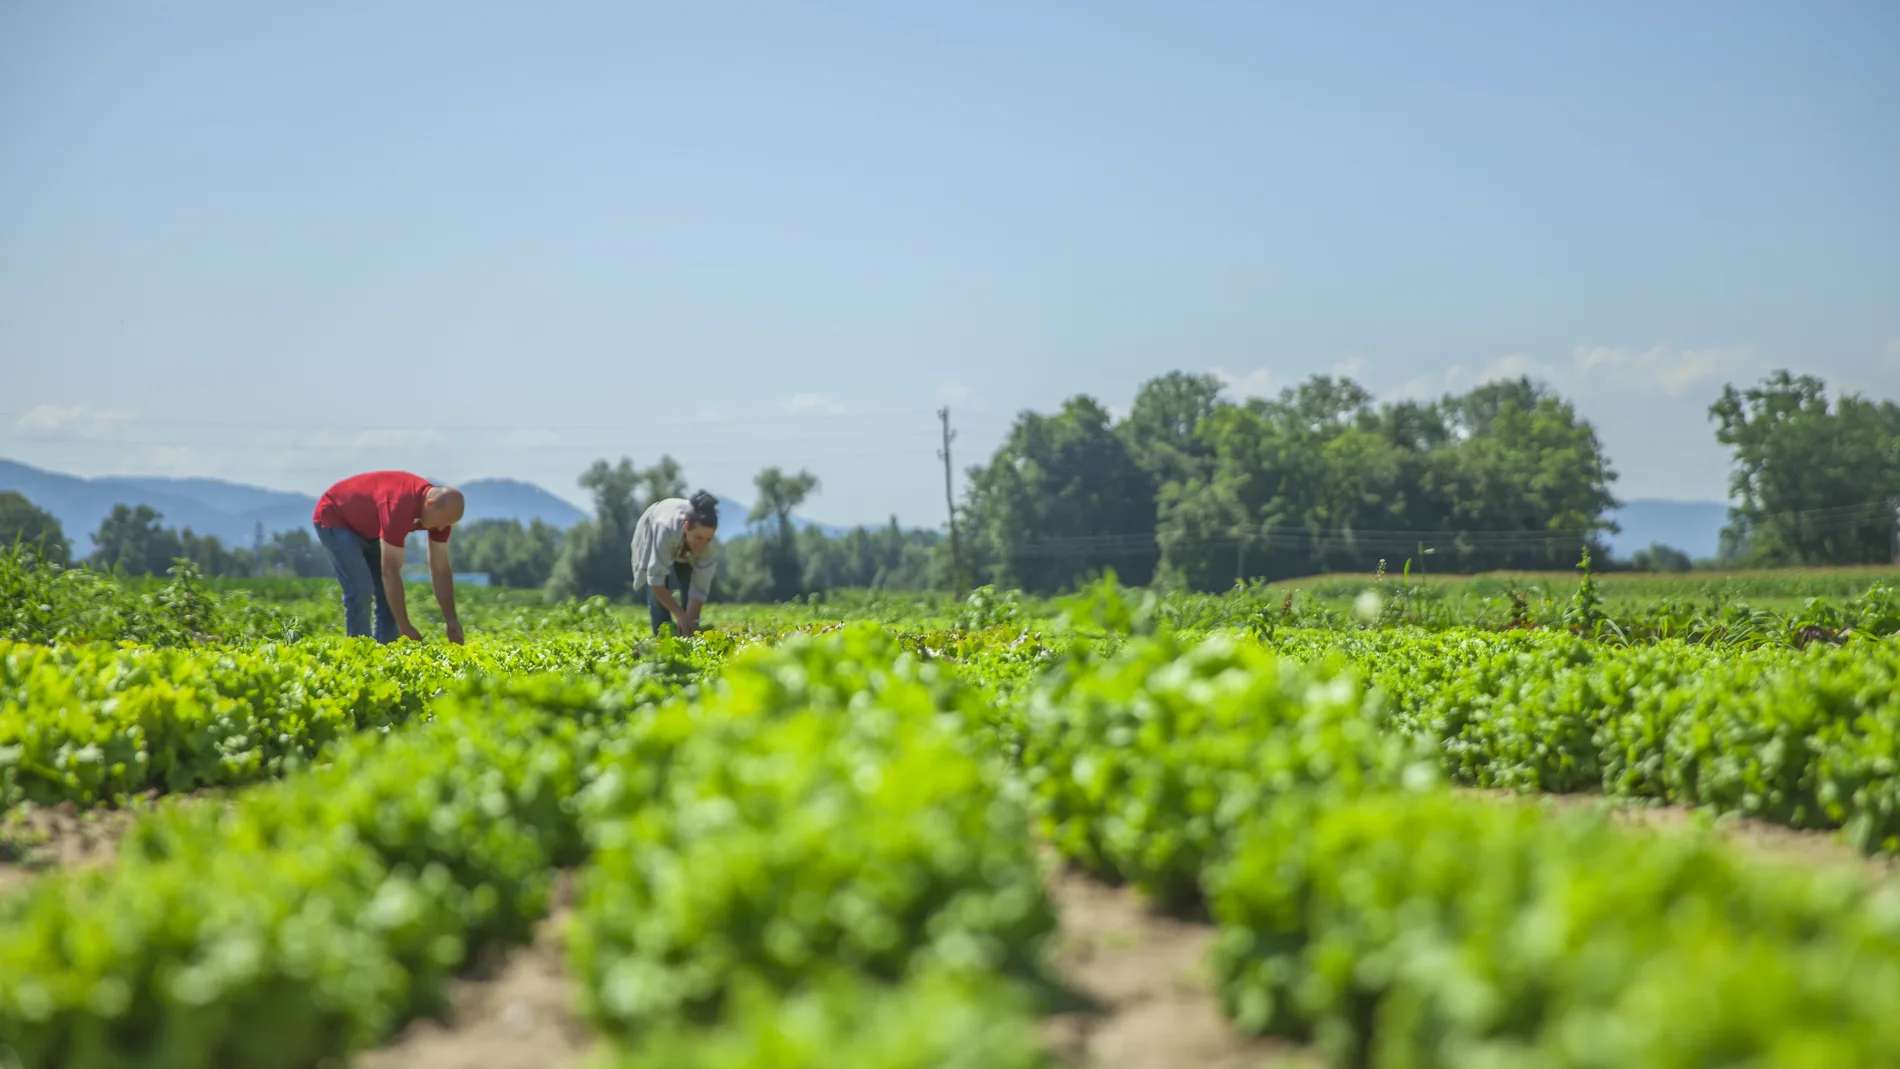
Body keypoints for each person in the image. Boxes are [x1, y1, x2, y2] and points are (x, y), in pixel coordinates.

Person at [312, 470, 467, 644]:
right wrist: (404, 626)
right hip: (336, 516)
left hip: (370, 528)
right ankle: (359, 651)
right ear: (429, 504)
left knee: (387, 595)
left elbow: (440, 569)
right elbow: (390, 572)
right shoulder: (399, 506)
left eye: (448, 525)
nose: (441, 529)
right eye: (442, 522)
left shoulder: (440, 517)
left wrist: (451, 620)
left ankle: (385, 652)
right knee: (360, 588)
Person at [632, 490, 719, 636]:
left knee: (689, 587)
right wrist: (680, 615)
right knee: (657, 599)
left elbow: (699, 589)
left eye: (708, 539)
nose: (703, 543)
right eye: (698, 537)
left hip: (684, 549)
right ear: (686, 527)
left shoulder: (709, 546)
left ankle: (688, 637)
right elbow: (656, 582)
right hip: (654, 525)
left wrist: (690, 620)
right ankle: (663, 637)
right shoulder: (665, 528)